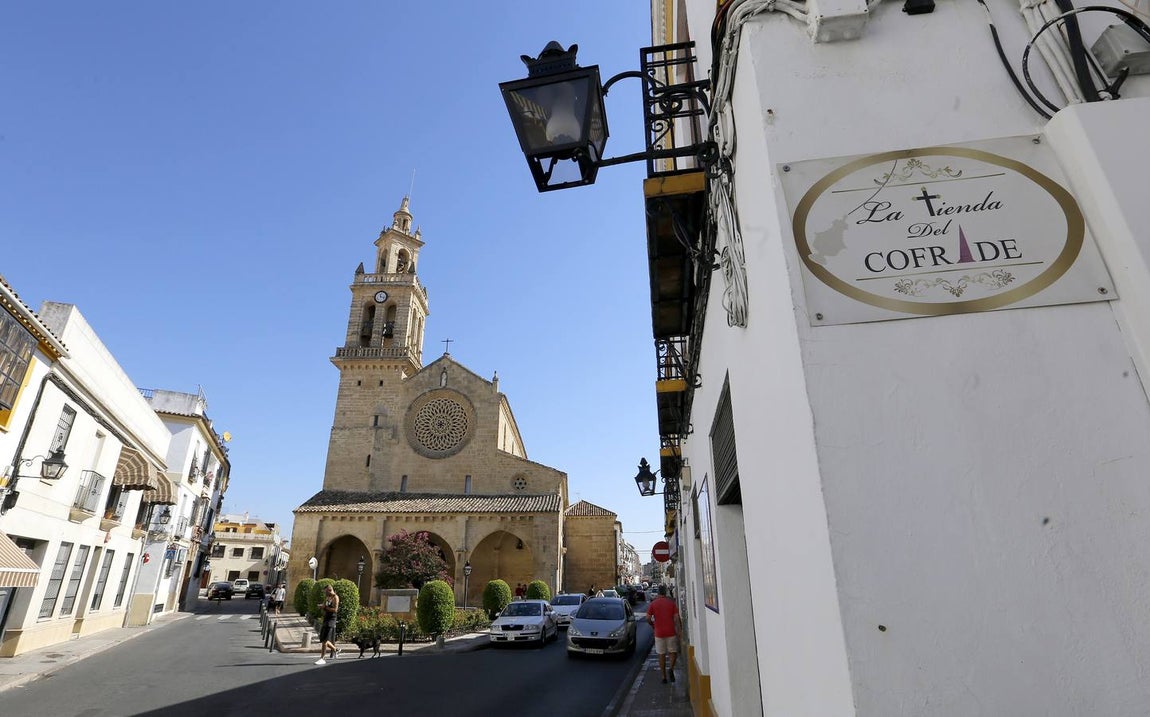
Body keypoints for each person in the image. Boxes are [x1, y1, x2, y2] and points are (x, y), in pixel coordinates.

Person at [646, 585, 681, 684]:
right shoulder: (671, 603)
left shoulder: (653, 604)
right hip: (671, 632)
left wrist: (652, 625)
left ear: (658, 593)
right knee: (673, 652)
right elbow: (676, 618)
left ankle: (663, 677)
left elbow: (648, 618)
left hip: (659, 632)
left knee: (661, 655)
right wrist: (679, 631)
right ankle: (671, 668)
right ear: (665, 592)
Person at [315, 585, 341, 665]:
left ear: (330, 590)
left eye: (326, 592)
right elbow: (324, 606)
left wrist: (324, 607)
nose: (325, 593)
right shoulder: (327, 597)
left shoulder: (335, 598)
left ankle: (322, 658)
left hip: (331, 620)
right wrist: (322, 607)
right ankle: (336, 649)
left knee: (325, 640)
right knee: (323, 639)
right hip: (326, 619)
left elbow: (335, 610)